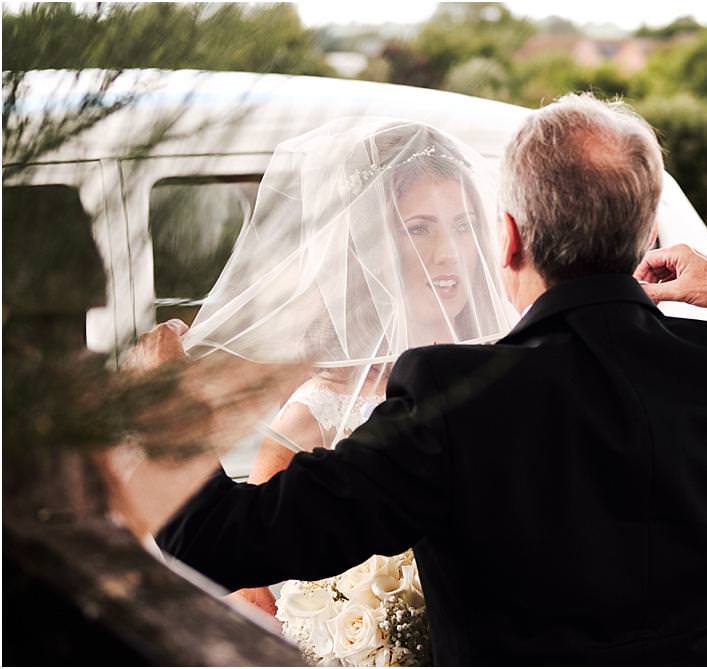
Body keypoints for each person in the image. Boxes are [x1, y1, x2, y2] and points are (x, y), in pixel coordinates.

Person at [148, 94, 707, 666]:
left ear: (506, 235)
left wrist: (161, 408)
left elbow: (220, 539)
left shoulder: (451, 396)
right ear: (649, 231)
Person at [175, 119, 512, 661]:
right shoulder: (321, 411)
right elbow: (250, 588)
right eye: (419, 228)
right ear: (372, 244)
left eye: (467, 225)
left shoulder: (512, 371)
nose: (450, 252)